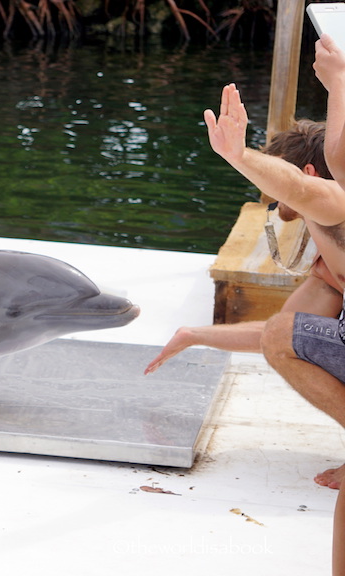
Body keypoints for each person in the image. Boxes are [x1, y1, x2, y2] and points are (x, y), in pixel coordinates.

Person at [145, 81, 345, 490]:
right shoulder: (328, 259)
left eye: (271, 188)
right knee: (287, 332)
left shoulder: (336, 204)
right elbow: (289, 330)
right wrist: (195, 334)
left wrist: (237, 154)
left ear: (304, 173)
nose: (270, 201)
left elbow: (303, 190)